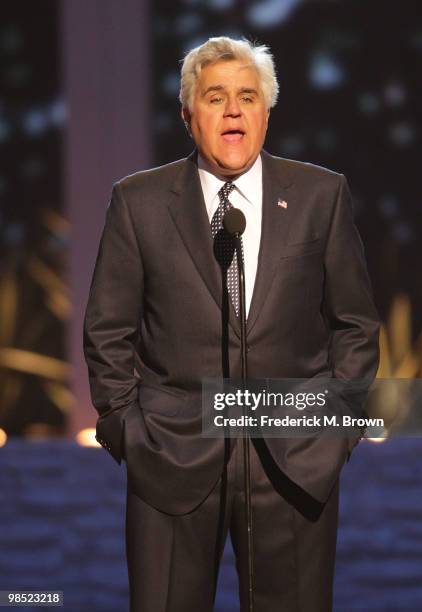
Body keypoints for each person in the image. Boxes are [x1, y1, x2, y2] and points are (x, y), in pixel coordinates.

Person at [83, 36, 380, 612]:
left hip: (295, 462)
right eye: (216, 97)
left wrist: (335, 428)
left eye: (248, 96)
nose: (234, 110)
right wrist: (129, 431)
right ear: (188, 115)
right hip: (171, 457)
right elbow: (107, 332)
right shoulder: (138, 202)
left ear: (267, 112)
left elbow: (355, 324)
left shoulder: (321, 195)